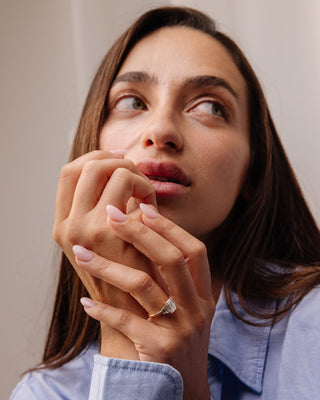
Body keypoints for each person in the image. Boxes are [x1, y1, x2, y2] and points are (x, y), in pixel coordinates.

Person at [11, 6, 320, 400]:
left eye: (210, 107)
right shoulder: (45, 392)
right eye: (132, 102)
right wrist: (127, 342)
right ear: (93, 145)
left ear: (253, 171)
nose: (160, 131)